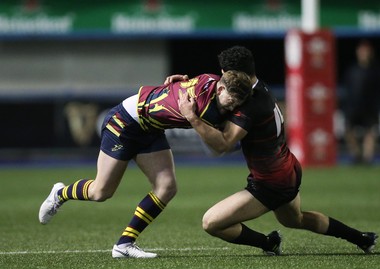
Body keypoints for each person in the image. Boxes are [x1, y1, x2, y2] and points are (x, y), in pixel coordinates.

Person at [174, 45, 378, 255]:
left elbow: (224, 144)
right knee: (295, 219)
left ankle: (268, 242)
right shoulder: (258, 87)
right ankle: (361, 238)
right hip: (287, 168)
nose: (221, 78)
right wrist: (187, 86)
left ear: (235, 73)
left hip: (271, 182)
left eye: (224, 73)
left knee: (211, 222)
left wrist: (191, 117)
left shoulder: (249, 104)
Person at [38, 71, 252, 258]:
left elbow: (191, 83)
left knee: (166, 187)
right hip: (124, 122)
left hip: (149, 126)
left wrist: (180, 81)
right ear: (221, 88)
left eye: (237, 103)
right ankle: (60, 193)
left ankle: (124, 244)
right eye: (232, 100)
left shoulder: (211, 79)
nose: (234, 107)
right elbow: (219, 145)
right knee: (100, 192)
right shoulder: (206, 110)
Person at [343, 40, 380, 165]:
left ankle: (367, 158)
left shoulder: (376, 71)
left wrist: (378, 105)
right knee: (348, 130)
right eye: (361, 51)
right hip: (354, 107)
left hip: (371, 107)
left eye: (366, 51)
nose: (363, 53)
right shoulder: (352, 70)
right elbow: (347, 88)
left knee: (371, 131)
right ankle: (356, 156)